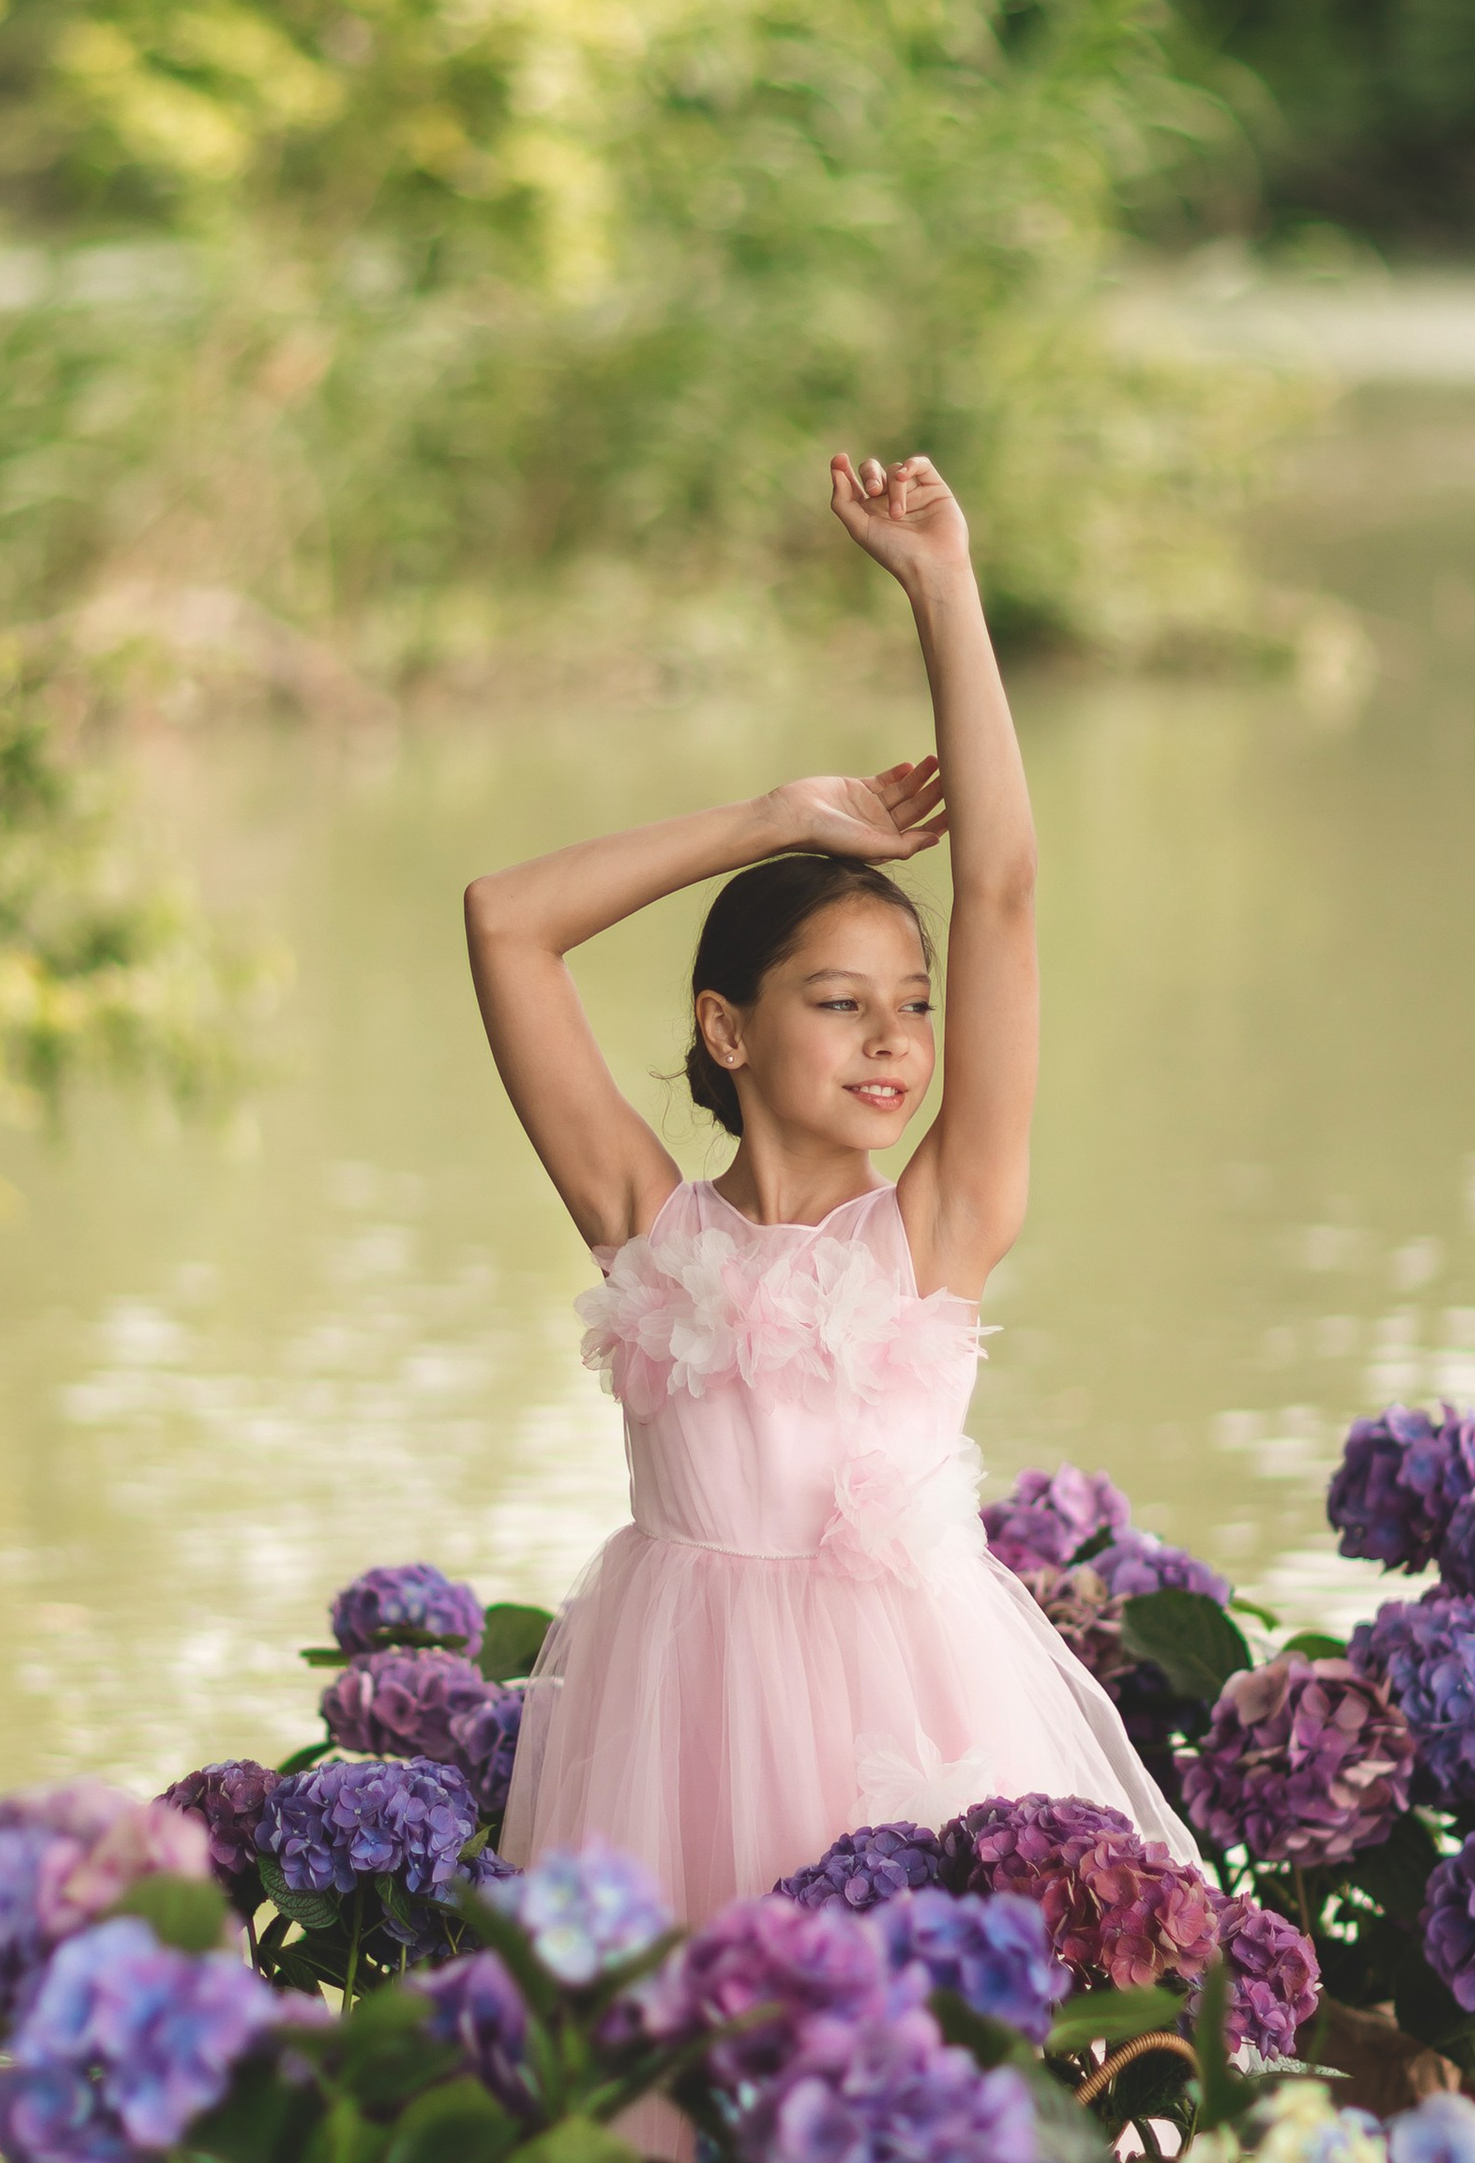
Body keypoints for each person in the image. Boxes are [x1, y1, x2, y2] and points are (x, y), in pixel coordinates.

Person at [464, 450, 1194, 1928]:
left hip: (913, 1737)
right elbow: (506, 922)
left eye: (913, 1006)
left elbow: (999, 887)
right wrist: (778, 820)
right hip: (672, 1754)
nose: (894, 1042)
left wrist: (944, 586)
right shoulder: (647, 1229)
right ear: (727, 1027)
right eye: (839, 1002)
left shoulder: (938, 1225)